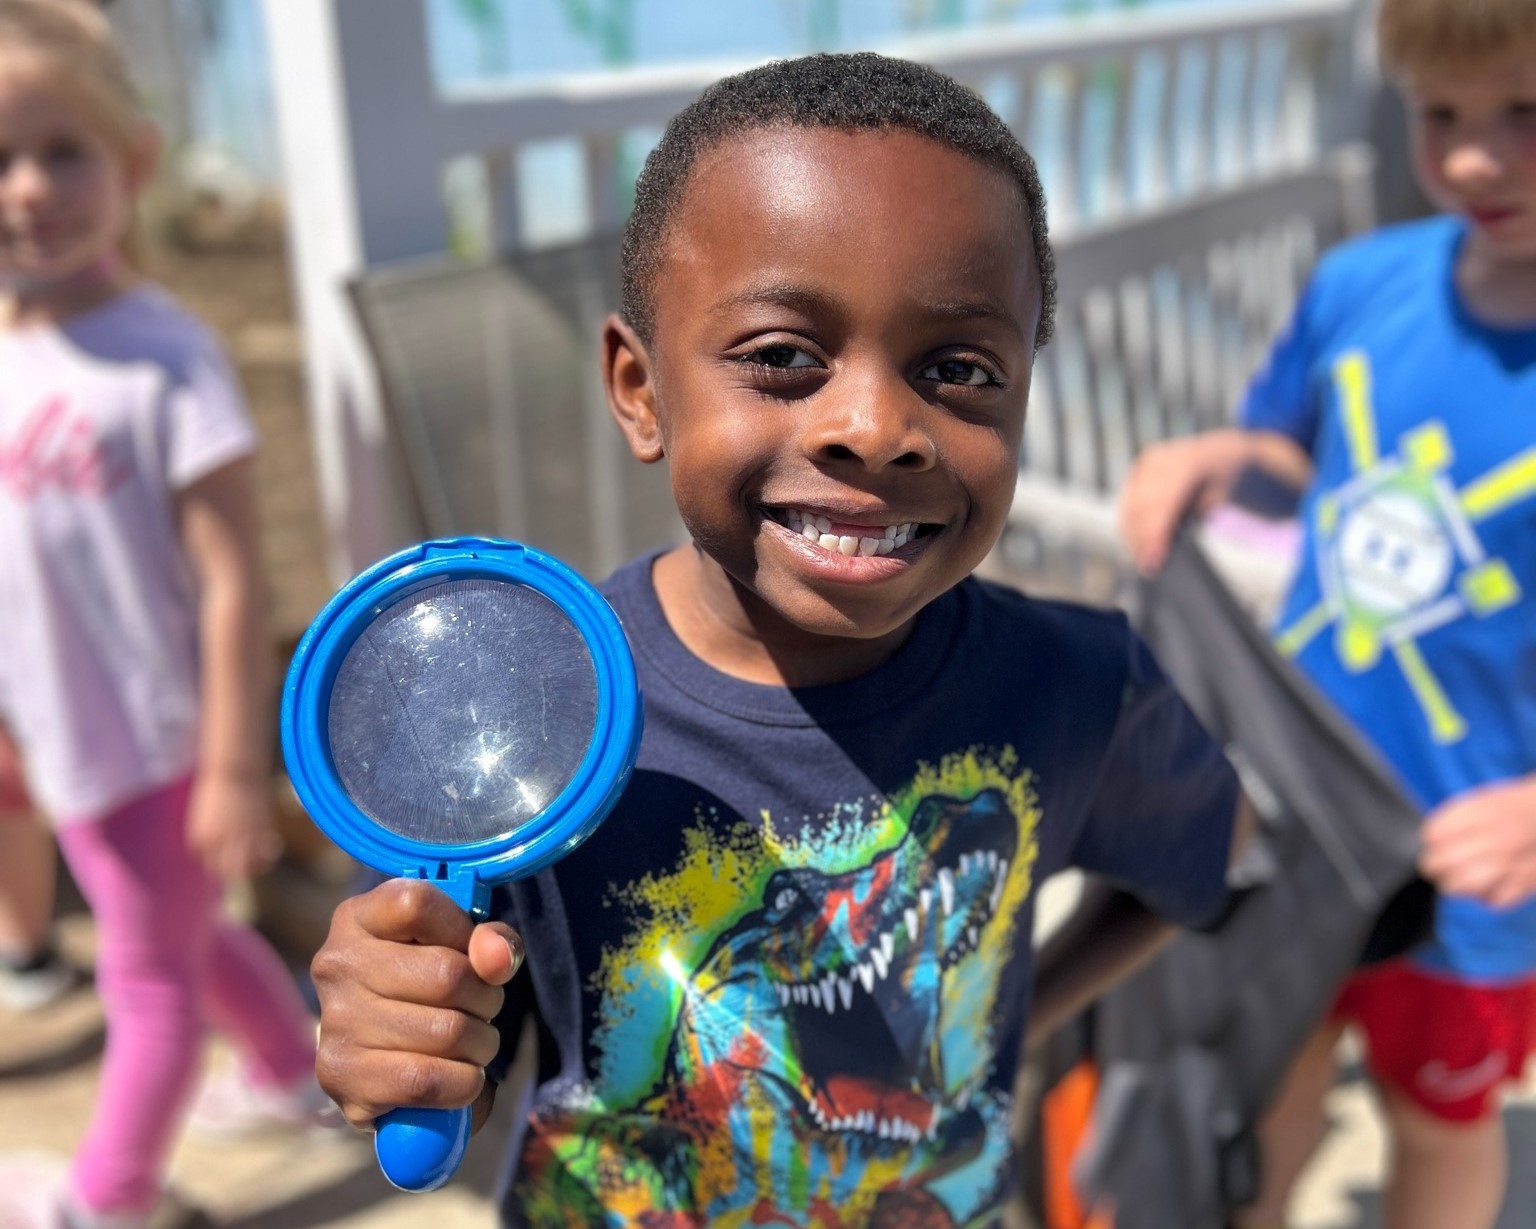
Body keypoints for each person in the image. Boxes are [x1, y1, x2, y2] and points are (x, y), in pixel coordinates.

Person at [310, 51, 1255, 1227]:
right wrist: (395, 1029)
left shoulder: (1080, 685)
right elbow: (439, 1029)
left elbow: (1203, 860)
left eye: (961, 368)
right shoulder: (521, 708)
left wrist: (1016, 1018)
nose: (875, 425)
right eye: (782, 357)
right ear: (641, 388)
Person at [1118, 0, 1536, 1225]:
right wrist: (1220, 460)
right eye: (1440, 115)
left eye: (1526, 112)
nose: (1474, 159)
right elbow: (1299, 462)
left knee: (1437, 1113)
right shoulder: (1362, 281)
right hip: (1294, 804)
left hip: (1467, 853)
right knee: (1275, 1062)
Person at [0, 3, 334, 1227]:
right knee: (174, 934)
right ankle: (292, 1071)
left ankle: (107, 1197)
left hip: (163, 742)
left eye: (62, 151)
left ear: (133, 162)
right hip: (65, 738)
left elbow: (234, 573)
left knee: (147, 980)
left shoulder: (168, 356)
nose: (29, 188)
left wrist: (236, 766)